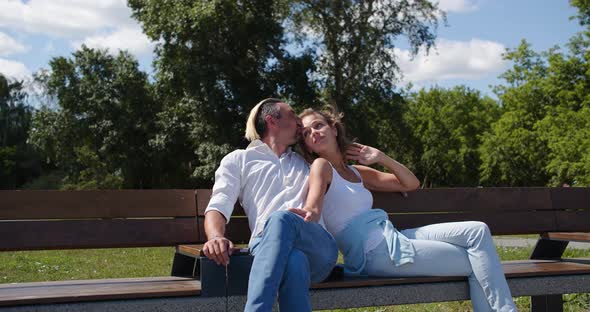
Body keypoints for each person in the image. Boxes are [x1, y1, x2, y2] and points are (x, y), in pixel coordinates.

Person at [289, 107, 517, 312]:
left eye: (318, 125)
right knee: (477, 261)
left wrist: (381, 157)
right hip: (375, 254)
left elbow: (410, 183)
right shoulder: (321, 166)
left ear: (333, 129)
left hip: (393, 239)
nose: (314, 133)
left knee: (477, 231)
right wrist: (309, 212)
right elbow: (314, 201)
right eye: (307, 133)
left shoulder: (358, 172)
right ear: (307, 145)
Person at [202, 99, 338, 312]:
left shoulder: (306, 162)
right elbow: (218, 205)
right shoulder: (239, 160)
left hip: (317, 247)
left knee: (281, 218)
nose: (299, 122)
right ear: (271, 121)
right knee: (294, 261)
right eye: (292, 115)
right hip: (266, 247)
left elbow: (340, 168)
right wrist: (215, 237)